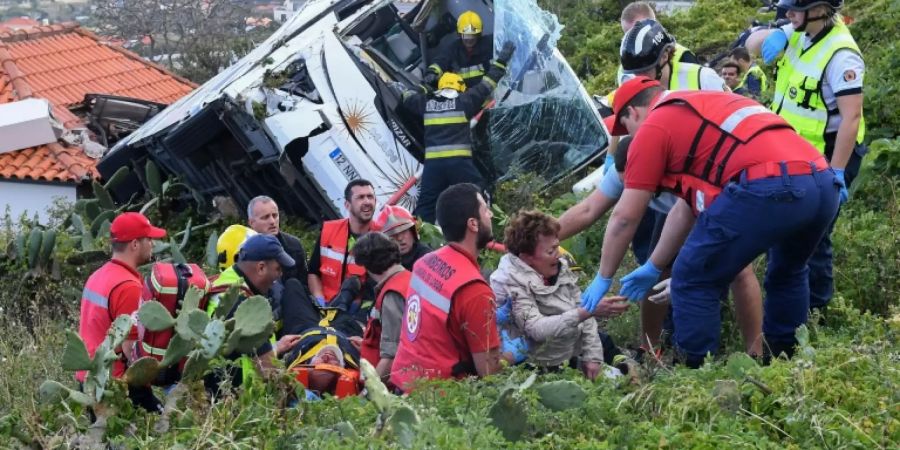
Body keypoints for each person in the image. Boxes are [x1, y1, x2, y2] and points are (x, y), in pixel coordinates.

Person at [581, 76, 840, 366]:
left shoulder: (654, 125)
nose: (630, 137)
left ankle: (696, 374)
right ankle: (785, 362)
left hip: (770, 184)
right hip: (822, 179)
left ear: (634, 112)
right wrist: (654, 266)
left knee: (691, 277)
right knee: (788, 271)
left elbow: (625, 217)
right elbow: (685, 209)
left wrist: (604, 276)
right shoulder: (702, 111)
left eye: (626, 127)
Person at [559, 136, 764, 357]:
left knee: (739, 271)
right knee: (653, 270)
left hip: (711, 206)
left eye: (633, 183)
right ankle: (650, 348)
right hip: (674, 214)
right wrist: (537, 238)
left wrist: (686, 273)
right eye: (625, 185)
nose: (629, 190)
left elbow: (702, 228)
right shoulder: (623, 170)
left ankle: (757, 351)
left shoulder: (686, 174)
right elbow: (588, 210)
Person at [748, 0, 865, 311]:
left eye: (795, 10)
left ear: (820, 9)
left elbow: (851, 118)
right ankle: (788, 308)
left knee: (814, 240)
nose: (788, 15)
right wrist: (776, 34)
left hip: (828, 156)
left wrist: (837, 171)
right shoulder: (801, 31)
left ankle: (815, 312)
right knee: (784, 234)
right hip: (793, 154)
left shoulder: (842, 55)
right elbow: (750, 44)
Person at [391, 183, 511, 391]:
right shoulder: (475, 290)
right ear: (473, 224)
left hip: (404, 382)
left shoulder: (424, 263)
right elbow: (489, 373)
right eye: (485, 209)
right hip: (440, 400)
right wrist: (514, 354)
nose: (490, 214)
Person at [490, 211, 623, 379]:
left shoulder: (557, 266)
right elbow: (537, 329)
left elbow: (579, 307)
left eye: (557, 247)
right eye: (551, 251)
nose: (559, 254)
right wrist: (587, 311)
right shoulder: (510, 282)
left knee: (607, 347)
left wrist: (593, 356)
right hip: (536, 362)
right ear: (527, 257)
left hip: (567, 343)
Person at [395, 41, 514, 223]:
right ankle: (485, 227)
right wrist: (502, 60)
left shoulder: (427, 104)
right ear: (460, 88)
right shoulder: (465, 101)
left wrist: (425, 84)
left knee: (425, 206)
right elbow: (488, 84)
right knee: (478, 192)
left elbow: (406, 96)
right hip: (459, 163)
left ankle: (418, 238)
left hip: (433, 166)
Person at [78, 212, 166, 411]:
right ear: (135, 244)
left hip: (89, 379)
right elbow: (130, 349)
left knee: (100, 441)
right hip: (117, 386)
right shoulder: (129, 287)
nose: (153, 244)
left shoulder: (97, 275)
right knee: (161, 428)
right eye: (149, 239)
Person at [205, 234, 302, 387]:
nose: (280, 275)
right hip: (236, 400)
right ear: (261, 267)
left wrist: (275, 348)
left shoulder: (228, 281)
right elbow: (269, 371)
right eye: (278, 269)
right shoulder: (243, 305)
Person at [353, 232, 412, 383]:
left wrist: (368, 396)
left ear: (368, 265)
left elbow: (391, 356)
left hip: (393, 385)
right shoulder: (409, 279)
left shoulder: (392, 295)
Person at [307, 179, 376, 304]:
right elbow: (313, 273)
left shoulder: (381, 237)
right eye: (360, 197)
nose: (367, 202)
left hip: (356, 311)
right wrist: (319, 300)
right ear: (347, 205)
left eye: (370, 197)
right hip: (325, 304)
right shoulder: (329, 231)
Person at [620, 19, 727, 92]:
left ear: (665, 56)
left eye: (645, 70)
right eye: (635, 72)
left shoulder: (704, 78)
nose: (639, 77)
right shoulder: (632, 87)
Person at [247, 195, 309, 288]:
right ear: (252, 223)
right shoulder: (243, 250)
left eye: (275, 215)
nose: (272, 221)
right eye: (265, 217)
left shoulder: (294, 245)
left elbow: (304, 283)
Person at [425, 11, 494, 89]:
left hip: (486, 92)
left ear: (479, 34)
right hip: (463, 95)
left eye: (473, 35)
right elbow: (441, 60)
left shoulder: (488, 43)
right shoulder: (453, 49)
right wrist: (432, 72)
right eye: (466, 35)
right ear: (460, 34)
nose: (469, 39)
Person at [373, 205, 432, 270]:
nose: (400, 238)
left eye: (404, 231)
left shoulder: (427, 258)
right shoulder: (380, 262)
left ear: (412, 231)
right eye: (393, 234)